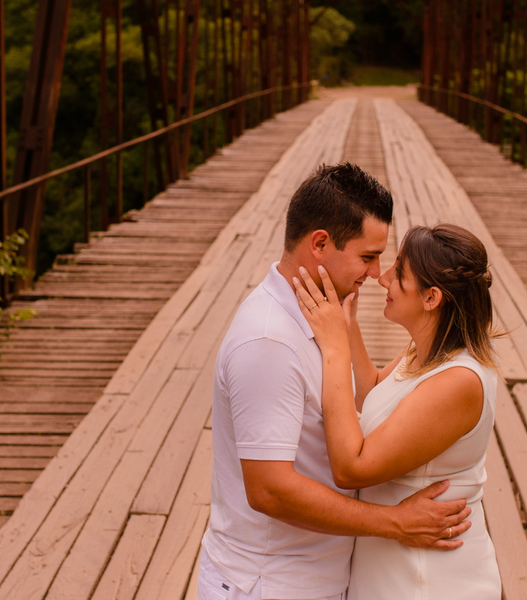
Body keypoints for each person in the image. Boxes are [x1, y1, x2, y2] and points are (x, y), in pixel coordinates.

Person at [198, 163, 473, 600]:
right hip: (272, 584)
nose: (377, 273)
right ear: (321, 244)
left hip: (315, 578)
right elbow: (269, 489)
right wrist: (395, 523)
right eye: (367, 257)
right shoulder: (270, 341)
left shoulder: (320, 319)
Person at [293, 223, 503, 600]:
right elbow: (374, 393)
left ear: (431, 298)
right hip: (394, 565)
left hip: (427, 579)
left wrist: (334, 350)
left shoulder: (459, 381)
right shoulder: (424, 351)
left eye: (399, 273)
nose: (382, 278)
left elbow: (351, 467)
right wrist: (348, 326)